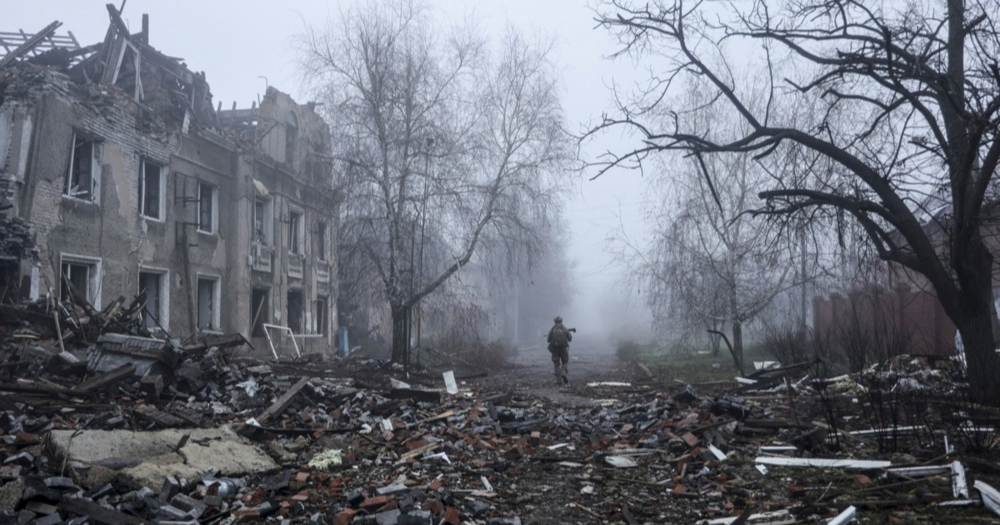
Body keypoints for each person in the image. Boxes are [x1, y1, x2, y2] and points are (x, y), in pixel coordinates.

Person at [547, 316, 573, 386]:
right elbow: (570, 338)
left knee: (556, 364)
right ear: (561, 321)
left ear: (555, 321)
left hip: (555, 349)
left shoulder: (553, 329)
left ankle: (558, 381)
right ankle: (563, 372)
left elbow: (548, 340)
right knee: (565, 362)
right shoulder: (564, 328)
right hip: (564, 349)